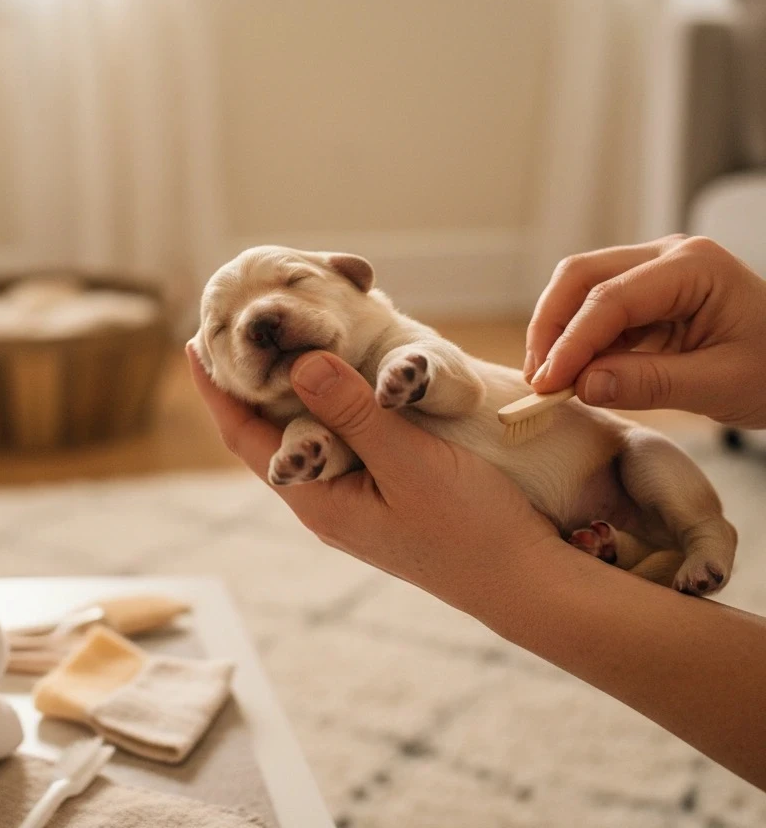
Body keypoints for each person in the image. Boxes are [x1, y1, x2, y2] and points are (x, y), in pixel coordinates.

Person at [188, 234, 766, 790]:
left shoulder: (399, 342)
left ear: (355, 280)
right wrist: (308, 443)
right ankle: (635, 557)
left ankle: (703, 535)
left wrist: (417, 369)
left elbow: (457, 389)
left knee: (646, 452)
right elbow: (345, 455)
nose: (260, 318)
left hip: (605, 460)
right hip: (579, 529)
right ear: (216, 374)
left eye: (294, 280)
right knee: (611, 555)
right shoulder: (302, 417)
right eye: (222, 329)